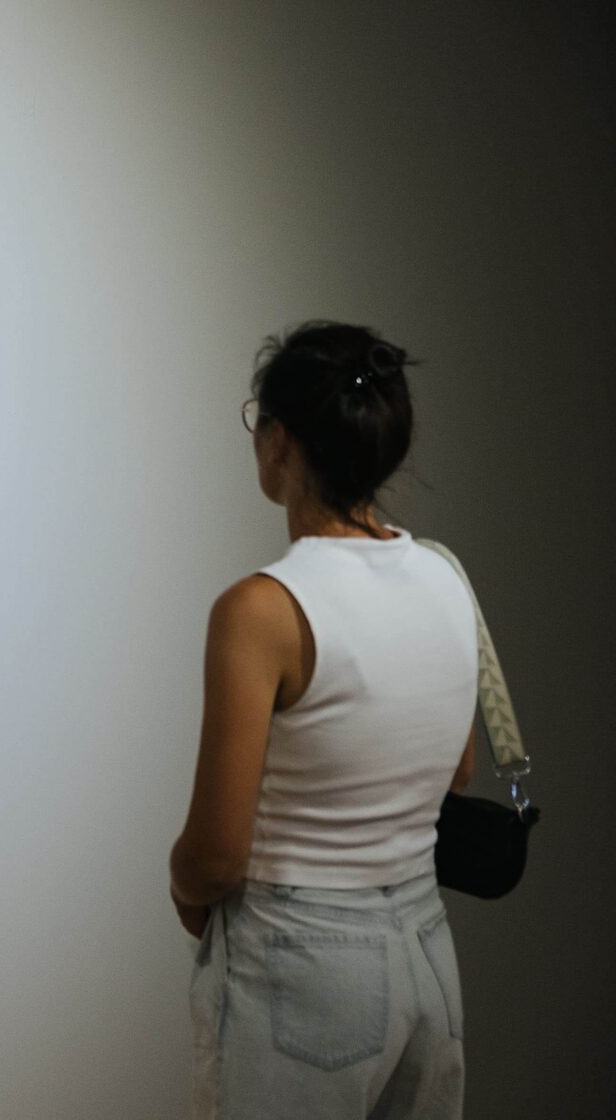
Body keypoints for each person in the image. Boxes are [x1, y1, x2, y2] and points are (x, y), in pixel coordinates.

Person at [169, 322, 478, 1119]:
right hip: (426, 948)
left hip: (301, 961)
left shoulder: (262, 609)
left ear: (280, 443)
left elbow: (216, 853)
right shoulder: (445, 578)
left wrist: (185, 888)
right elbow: (459, 771)